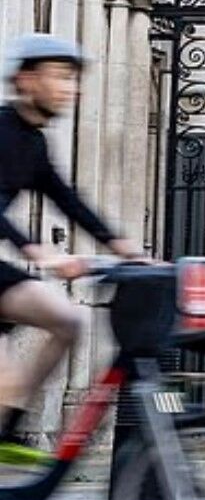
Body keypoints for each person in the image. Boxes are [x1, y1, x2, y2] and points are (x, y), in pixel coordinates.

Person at [0, 34, 145, 464]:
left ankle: (8, 429)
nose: (71, 88)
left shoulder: (33, 142)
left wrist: (123, 247)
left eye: (73, 79)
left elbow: (67, 199)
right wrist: (37, 250)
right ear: (27, 80)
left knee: (67, 319)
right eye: (61, 77)